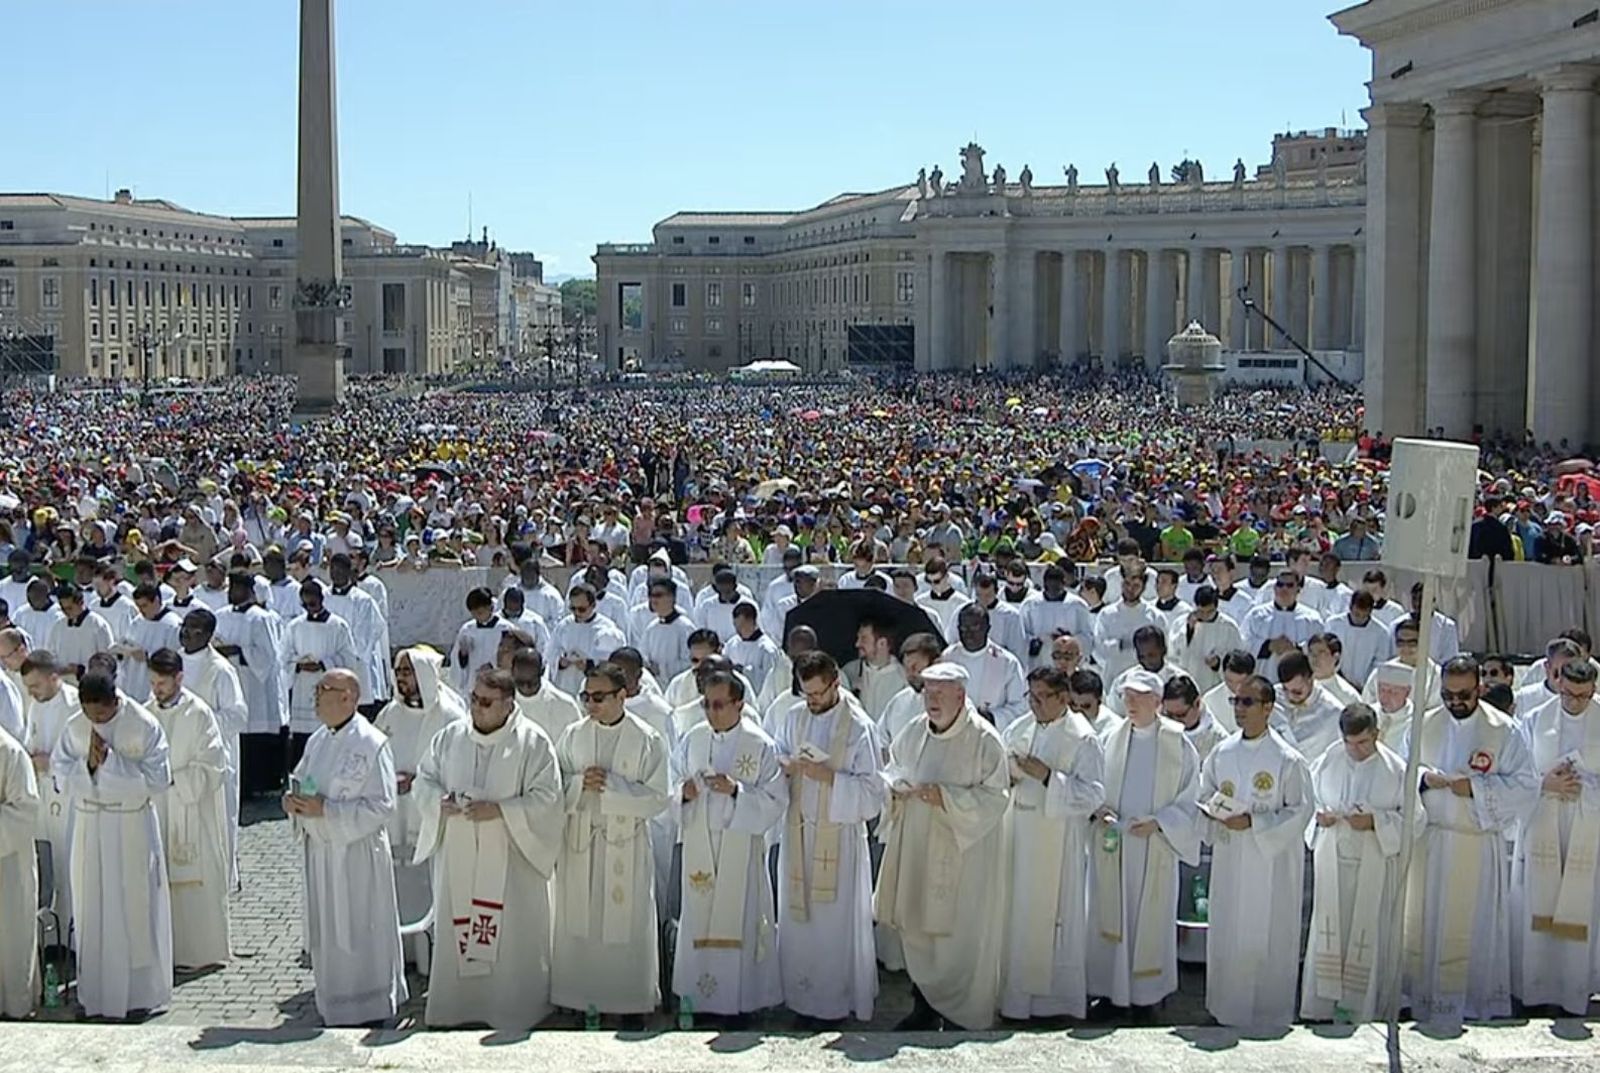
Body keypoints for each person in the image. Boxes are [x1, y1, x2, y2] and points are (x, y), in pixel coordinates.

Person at [413, 667, 564, 1031]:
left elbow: (548, 797)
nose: (477, 708)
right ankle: (458, 1006)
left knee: (511, 941)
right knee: (459, 926)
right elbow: (425, 779)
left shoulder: (533, 742)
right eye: (474, 699)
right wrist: (438, 802)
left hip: (512, 858)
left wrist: (500, 810)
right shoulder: (451, 736)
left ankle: (514, 1009)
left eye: (486, 702)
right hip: (460, 849)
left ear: (508, 704)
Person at [1403, 656, 1538, 1025]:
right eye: (1448, 694)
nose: (1455, 702)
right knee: (1424, 922)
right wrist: (1423, 778)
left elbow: (1527, 786)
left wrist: (1474, 789)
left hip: (1474, 844)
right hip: (1429, 843)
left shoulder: (1503, 730)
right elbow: (1401, 766)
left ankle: (1471, 1003)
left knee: (1470, 928)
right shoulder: (1425, 723)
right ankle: (1423, 1000)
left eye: (1463, 694)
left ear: (1479, 687)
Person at [876, 660, 1009, 1030]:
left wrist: (947, 798)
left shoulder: (984, 739)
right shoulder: (916, 731)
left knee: (959, 934)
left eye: (939, 694)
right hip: (919, 845)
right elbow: (894, 769)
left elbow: (996, 797)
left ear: (960, 695)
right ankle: (924, 1006)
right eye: (927, 693)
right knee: (918, 927)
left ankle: (962, 1012)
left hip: (963, 854)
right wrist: (895, 789)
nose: (931, 700)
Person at [284, 668, 408, 1026]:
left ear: (349, 697)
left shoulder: (371, 743)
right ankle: (332, 1001)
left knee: (360, 927)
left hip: (357, 856)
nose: (316, 694)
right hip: (322, 853)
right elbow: (303, 780)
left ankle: (369, 1005)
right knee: (330, 929)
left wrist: (329, 810)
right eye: (318, 688)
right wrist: (293, 803)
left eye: (325, 688)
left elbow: (384, 805)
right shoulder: (318, 740)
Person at [765, 650, 883, 1024]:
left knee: (834, 924)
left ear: (835, 683)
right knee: (799, 920)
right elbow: (777, 758)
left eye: (818, 693)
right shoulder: (794, 717)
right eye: (806, 694)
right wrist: (787, 766)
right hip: (799, 832)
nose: (812, 701)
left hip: (840, 840)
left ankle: (834, 1003)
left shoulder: (858, 726)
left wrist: (829, 777)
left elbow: (873, 793)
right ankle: (800, 1000)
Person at [551, 662, 670, 1023]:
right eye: (586, 696)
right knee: (579, 920)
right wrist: (576, 785)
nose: (591, 704)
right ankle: (577, 996)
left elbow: (659, 797)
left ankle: (629, 1002)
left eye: (599, 697)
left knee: (626, 922)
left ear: (623, 695)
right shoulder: (573, 734)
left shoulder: (648, 739)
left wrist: (614, 787)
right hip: (581, 840)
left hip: (626, 844)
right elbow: (553, 785)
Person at [51, 670, 173, 1020]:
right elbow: (59, 775)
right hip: (90, 825)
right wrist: (88, 765)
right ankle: (96, 995)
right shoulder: (75, 725)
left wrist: (112, 764)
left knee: (133, 905)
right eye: (90, 714)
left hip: (130, 826)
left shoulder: (144, 724)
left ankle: (139, 995)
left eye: (102, 715)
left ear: (115, 701)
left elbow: (159, 781)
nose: (96, 721)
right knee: (92, 907)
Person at [669, 670, 787, 1022]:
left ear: (739, 704)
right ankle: (700, 1000)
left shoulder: (759, 744)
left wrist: (737, 791)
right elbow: (670, 785)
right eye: (706, 704)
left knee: (743, 917)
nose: (711, 712)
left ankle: (741, 1001)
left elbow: (776, 800)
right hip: (700, 846)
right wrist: (682, 795)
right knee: (699, 917)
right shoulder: (693, 739)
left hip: (740, 848)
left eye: (719, 704)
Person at [1198, 673, 1312, 1028]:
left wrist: (1254, 824)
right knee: (1230, 929)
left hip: (1271, 865)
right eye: (1236, 701)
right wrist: (1216, 815)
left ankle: (1268, 1011)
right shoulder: (1223, 752)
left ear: (1268, 707)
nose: (1239, 709)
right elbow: (1205, 794)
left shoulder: (1287, 759)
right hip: (1232, 859)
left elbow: (1301, 809)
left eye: (1248, 702)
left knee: (1268, 932)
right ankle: (1226, 1008)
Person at [1086, 669, 1201, 1014]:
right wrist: (1099, 810)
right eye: (1126, 697)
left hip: (1155, 848)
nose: (1131, 704)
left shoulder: (1179, 744)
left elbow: (1190, 799)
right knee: (1112, 915)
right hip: (1116, 844)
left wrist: (1160, 823)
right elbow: (1095, 784)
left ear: (1157, 702)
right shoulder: (1111, 737)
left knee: (1149, 920)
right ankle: (1110, 993)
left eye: (1139, 698)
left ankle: (1146, 996)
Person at [1301, 703, 1422, 1023]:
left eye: (1363, 743)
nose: (1355, 751)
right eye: (1349, 743)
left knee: (1366, 935)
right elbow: (1307, 800)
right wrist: (1319, 817)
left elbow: (1414, 821)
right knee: (1330, 931)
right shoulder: (1328, 759)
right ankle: (1322, 1007)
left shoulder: (1395, 769)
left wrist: (1375, 822)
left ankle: (1361, 1008)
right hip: (1333, 862)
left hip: (1373, 866)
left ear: (1377, 734)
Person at [999, 667, 1105, 1021]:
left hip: (1058, 841)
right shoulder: (1020, 728)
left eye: (1043, 697)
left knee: (1055, 917)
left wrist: (1048, 778)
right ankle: (1015, 1001)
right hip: (1019, 834)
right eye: (1031, 696)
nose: (1035, 704)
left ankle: (1056, 1003)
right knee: (1017, 914)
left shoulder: (1083, 738)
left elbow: (1093, 794)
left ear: (1064, 698)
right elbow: (1000, 769)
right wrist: (1010, 776)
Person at [1510, 659, 1600, 1015]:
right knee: (1538, 901)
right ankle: (1535, 988)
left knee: (1583, 902)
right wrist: (1545, 783)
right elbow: (1517, 772)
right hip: (1543, 817)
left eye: (1584, 696)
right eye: (1569, 694)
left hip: (1588, 826)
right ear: (1558, 683)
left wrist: (1585, 788)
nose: (1575, 702)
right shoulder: (1534, 720)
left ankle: (1576, 988)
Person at [372, 645, 467, 955]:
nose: (401, 678)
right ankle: (401, 951)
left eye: (407, 671)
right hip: (395, 813)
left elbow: (460, 766)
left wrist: (419, 782)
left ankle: (432, 951)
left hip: (429, 813)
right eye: (398, 671)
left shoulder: (450, 715)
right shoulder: (389, 714)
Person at [145, 648, 231, 969]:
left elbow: (212, 766)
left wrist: (173, 779)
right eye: (153, 682)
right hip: (156, 809)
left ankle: (199, 951)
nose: (157, 689)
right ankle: (163, 951)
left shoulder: (199, 714)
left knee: (195, 883)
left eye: (163, 683)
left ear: (179, 678)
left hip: (191, 810)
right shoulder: (144, 713)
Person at [212, 571, 285, 796]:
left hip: (254, 683)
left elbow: (268, 655)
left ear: (249, 591)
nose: (232, 592)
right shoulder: (221, 615)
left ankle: (259, 784)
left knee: (254, 735)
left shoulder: (260, 617)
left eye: (237, 588)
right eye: (230, 588)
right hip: (229, 681)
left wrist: (238, 650)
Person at [281, 579, 361, 774]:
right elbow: (284, 655)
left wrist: (323, 664)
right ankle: (300, 778)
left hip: (329, 687)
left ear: (322, 599)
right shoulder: (295, 626)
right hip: (302, 686)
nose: (309, 608)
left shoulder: (338, 626)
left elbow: (348, 656)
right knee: (301, 738)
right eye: (305, 605)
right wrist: (298, 664)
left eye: (313, 603)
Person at [0, 718, 38, 1018]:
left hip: (8, 865)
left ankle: (14, 1005)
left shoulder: (10, 753)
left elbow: (24, 811)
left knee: (10, 936)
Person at [942, 604, 1029, 731]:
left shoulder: (1007, 662)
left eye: (975, 627)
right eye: (963, 628)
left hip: (990, 733)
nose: (968, 634)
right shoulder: (947, 658)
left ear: (987, 628)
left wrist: (992, 717)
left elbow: (1019, 706)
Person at [545, 584, 628, 696]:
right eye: (573, 609)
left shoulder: (606, 629)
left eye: (581, 609)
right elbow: (550, 651)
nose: (577, 613)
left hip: (592, 688)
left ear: (593, 605)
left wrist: (589, 665)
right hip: (565, 684)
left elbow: (612, 661)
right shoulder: (564, 625)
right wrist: (559, 662)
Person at [1240, 571, 1325, 681]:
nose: (1284, 589)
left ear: (1298, 590)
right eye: (1280, 585)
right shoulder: (1257, 615)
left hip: (1298, 683)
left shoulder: (1312, 619)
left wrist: (1296, 649)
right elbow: (1242, 642)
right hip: (1263, 679)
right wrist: (1267, 646)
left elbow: (1320, 648)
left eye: (1289, 585)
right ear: (1274, 588)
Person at [1094, 571, 1162, 684]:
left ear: (1143, 588)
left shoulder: (1154, 615)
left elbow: (1163, 649)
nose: (1130, 589)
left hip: (1146, 677)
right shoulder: (1107, 614)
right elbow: (1098, 647)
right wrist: (1120, 645)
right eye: (1127, 584)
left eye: (1136, 586)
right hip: (1115, 675)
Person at [1274, 652, 1345, 760]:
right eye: (1285, 690)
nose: (1290, 697)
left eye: (1297, 692)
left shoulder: (1333, 713)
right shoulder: (1273, 697)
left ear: (1311, 679)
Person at [1022, 565, 1094, 670]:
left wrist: (1069, 639)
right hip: (1040, 663)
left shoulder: (1078, 605)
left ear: (1063, 584)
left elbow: (1088, 637)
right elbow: (1022, 635)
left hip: (1068, 663)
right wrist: (1037, 641)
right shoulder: (1030, 605)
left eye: (1056, 588)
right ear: (1044, 584)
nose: (1053, 592)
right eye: (1049, 587)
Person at [1175, 586, 1242, 695]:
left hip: (1214, 685)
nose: (1205, 616)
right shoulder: (1181, 623)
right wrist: (1189, 630)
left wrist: (1218, 663)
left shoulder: (1228, 627)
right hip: (1187, 685)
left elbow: (1237, 659)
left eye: (1209, 611)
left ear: (1216, 606)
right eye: (1201, 611)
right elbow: (1173, 654)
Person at [510, 648, 583, 745]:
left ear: (542, 671)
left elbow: (579, 743)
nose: (525, 688)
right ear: (512, 673)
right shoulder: (501, 702)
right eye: (520, 682)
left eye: (531, 682)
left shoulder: (565, 705)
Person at [844, 619, 910, 724]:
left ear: (882, 643)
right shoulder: (850, 671)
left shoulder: (904, 679)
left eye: (864, 639)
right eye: (858, 638)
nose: (857, 644)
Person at [47, 585, 115, 684]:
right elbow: (52, 654)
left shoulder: (98, 625)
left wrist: (80, 670)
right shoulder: (58, 626)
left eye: (70, 608)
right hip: (63, 683)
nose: (66, 612)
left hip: (90, 684)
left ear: (81, 603)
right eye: (63, 608)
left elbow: (106, 660)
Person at [1327, 591, 1394, 687]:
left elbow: (1379, 663)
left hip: (1364, 686)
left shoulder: (1381, 632)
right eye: (1357, 614)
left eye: (1364, 616)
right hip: (1335, 681)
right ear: (1350, 607)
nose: (1359, 619)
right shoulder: (1333, 624)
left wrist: (1365, 684)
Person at [725, 602, 780, 697]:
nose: (738, 630)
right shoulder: (732, 644)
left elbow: (771, 680)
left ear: (752, 621)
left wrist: (744, 671)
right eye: (735, 625)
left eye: (741, 625)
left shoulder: (767, 649)